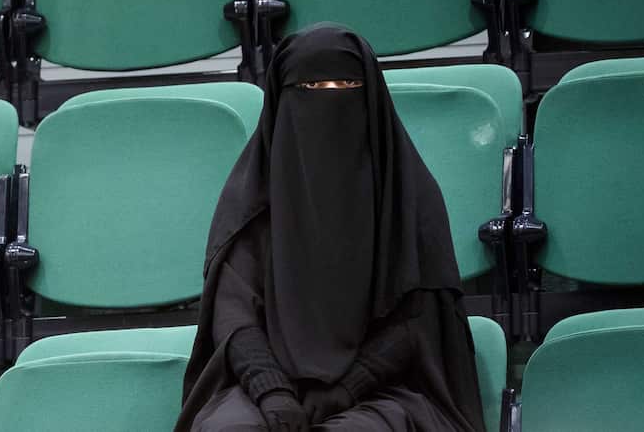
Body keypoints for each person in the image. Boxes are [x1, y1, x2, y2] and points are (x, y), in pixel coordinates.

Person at [176, 25, 486, 431]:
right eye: (311, 85)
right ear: (281, 102)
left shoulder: (409, 197)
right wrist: (271, 390)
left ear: (371, 97)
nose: (330, 96)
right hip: (263, 388)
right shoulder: (251, 203)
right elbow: (235, 318)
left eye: (347, 83)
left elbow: (419, 321)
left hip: (387, 389)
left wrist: (348, 388)